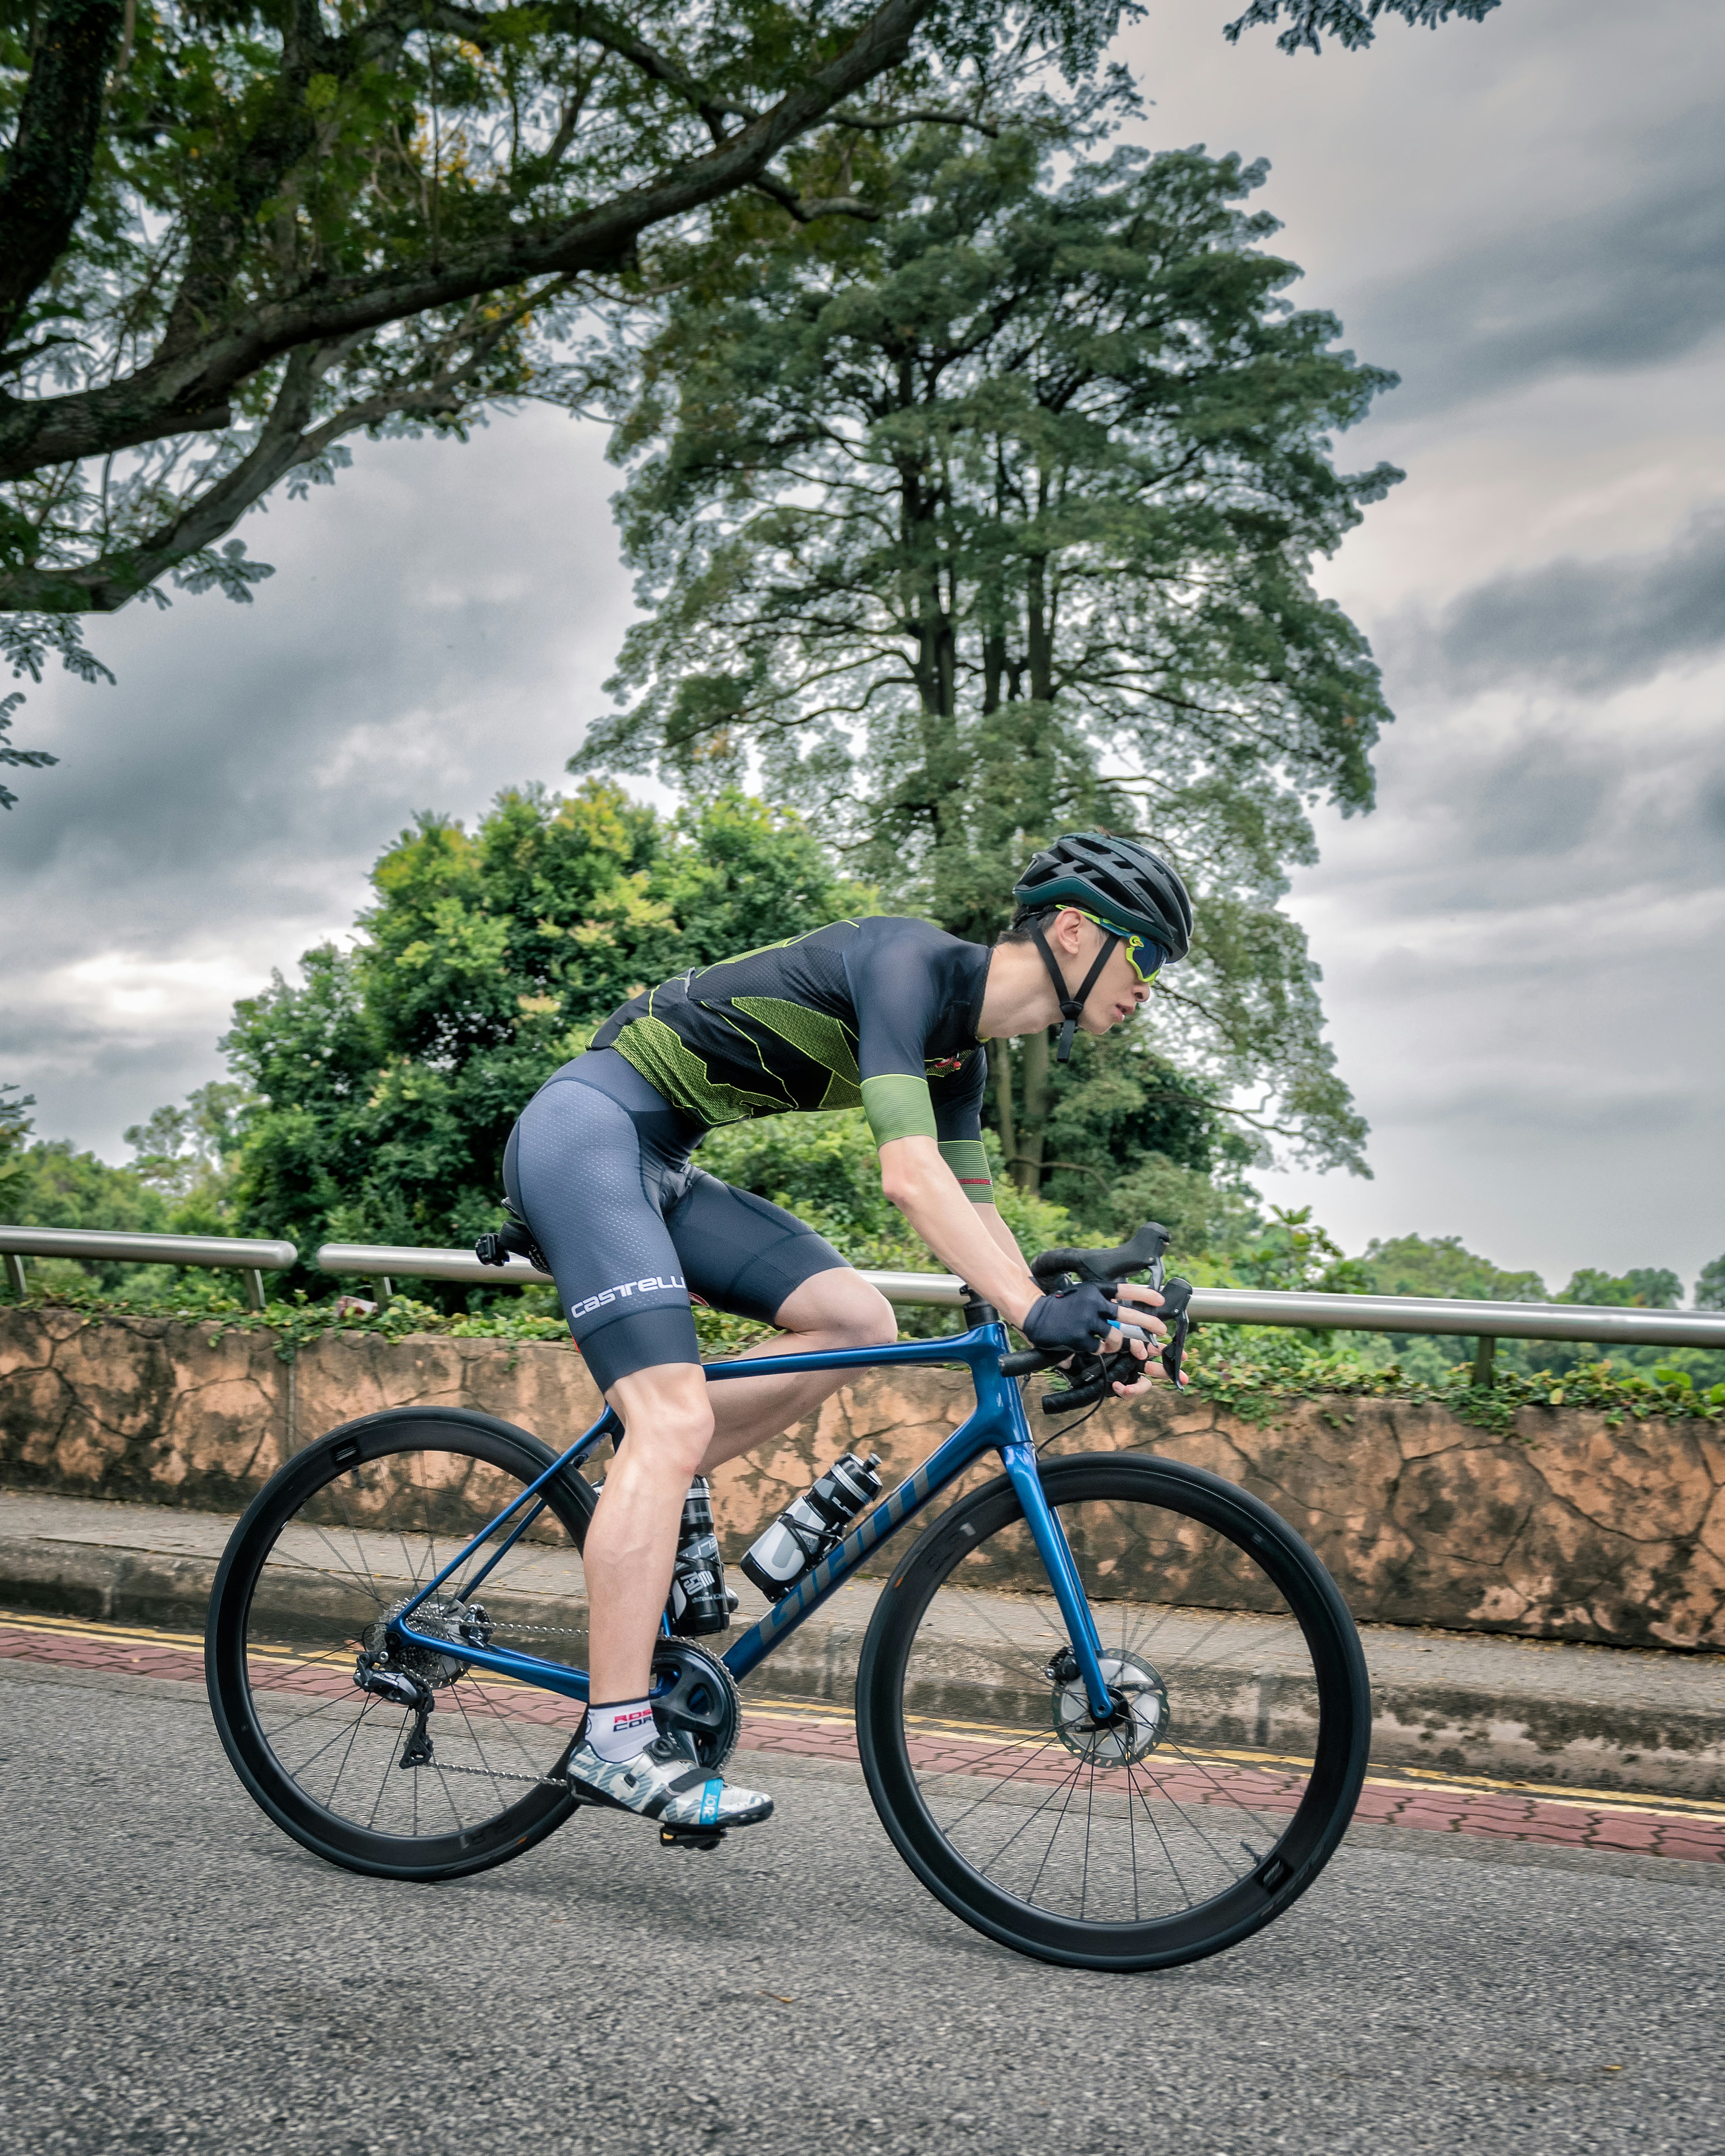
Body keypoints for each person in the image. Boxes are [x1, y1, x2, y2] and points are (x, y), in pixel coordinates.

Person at [500, 831, 1194, 1834]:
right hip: (587, 1131)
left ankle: (654, 1481)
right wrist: (1031, 1306)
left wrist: (1067, 1312)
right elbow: (909, 1176)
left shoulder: (965, 1053)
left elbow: (976, 1223)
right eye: (1147, 956)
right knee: (668, 1421)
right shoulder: (908, 964)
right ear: (1078, 929)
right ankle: (614, 1735)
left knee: (857, 1318)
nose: (1149, 986)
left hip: (663, 1159)